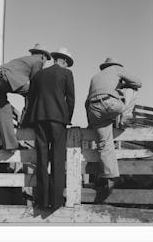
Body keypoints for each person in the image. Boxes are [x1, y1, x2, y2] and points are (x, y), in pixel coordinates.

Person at [25, 47, 75, 211]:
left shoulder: (40, 74)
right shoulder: (66, 74)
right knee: (58, 159)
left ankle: (42, 200)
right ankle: (55, 201)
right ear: (65, 61)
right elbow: (71, 99)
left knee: (42, 159)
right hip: (58, 120)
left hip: (40, 119)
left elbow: (31, 98)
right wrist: (67, 118)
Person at [85, 57, 142, 201]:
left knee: (105, 144)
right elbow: (138, 82)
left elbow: (87, 101)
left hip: (93, 110)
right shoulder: (116, 69)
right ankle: (124, 118)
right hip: (110, 105)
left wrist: (91, 123)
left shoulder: (95, 77)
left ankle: (110, 179)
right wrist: (123, 85)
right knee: (133, 89)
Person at [0, 43, 51, 150]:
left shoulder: (24, 60)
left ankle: (10, 145)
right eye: (46, 60)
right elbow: (35, 85)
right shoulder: (38, 61)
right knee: (36, 91)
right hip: (4, 78)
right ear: (43, 56)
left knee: (4, 110)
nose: (44, 63)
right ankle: (27, 122)